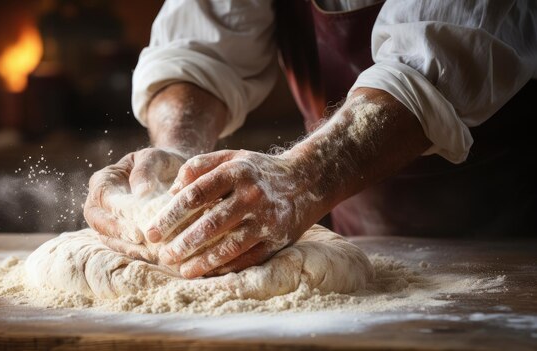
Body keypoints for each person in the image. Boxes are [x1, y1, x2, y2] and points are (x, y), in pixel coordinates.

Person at [84, 0, 537, 279]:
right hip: (363, 239)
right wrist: (179, 152)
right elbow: (198, 46)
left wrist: (299, 179)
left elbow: (437, 61)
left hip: (512, 240)